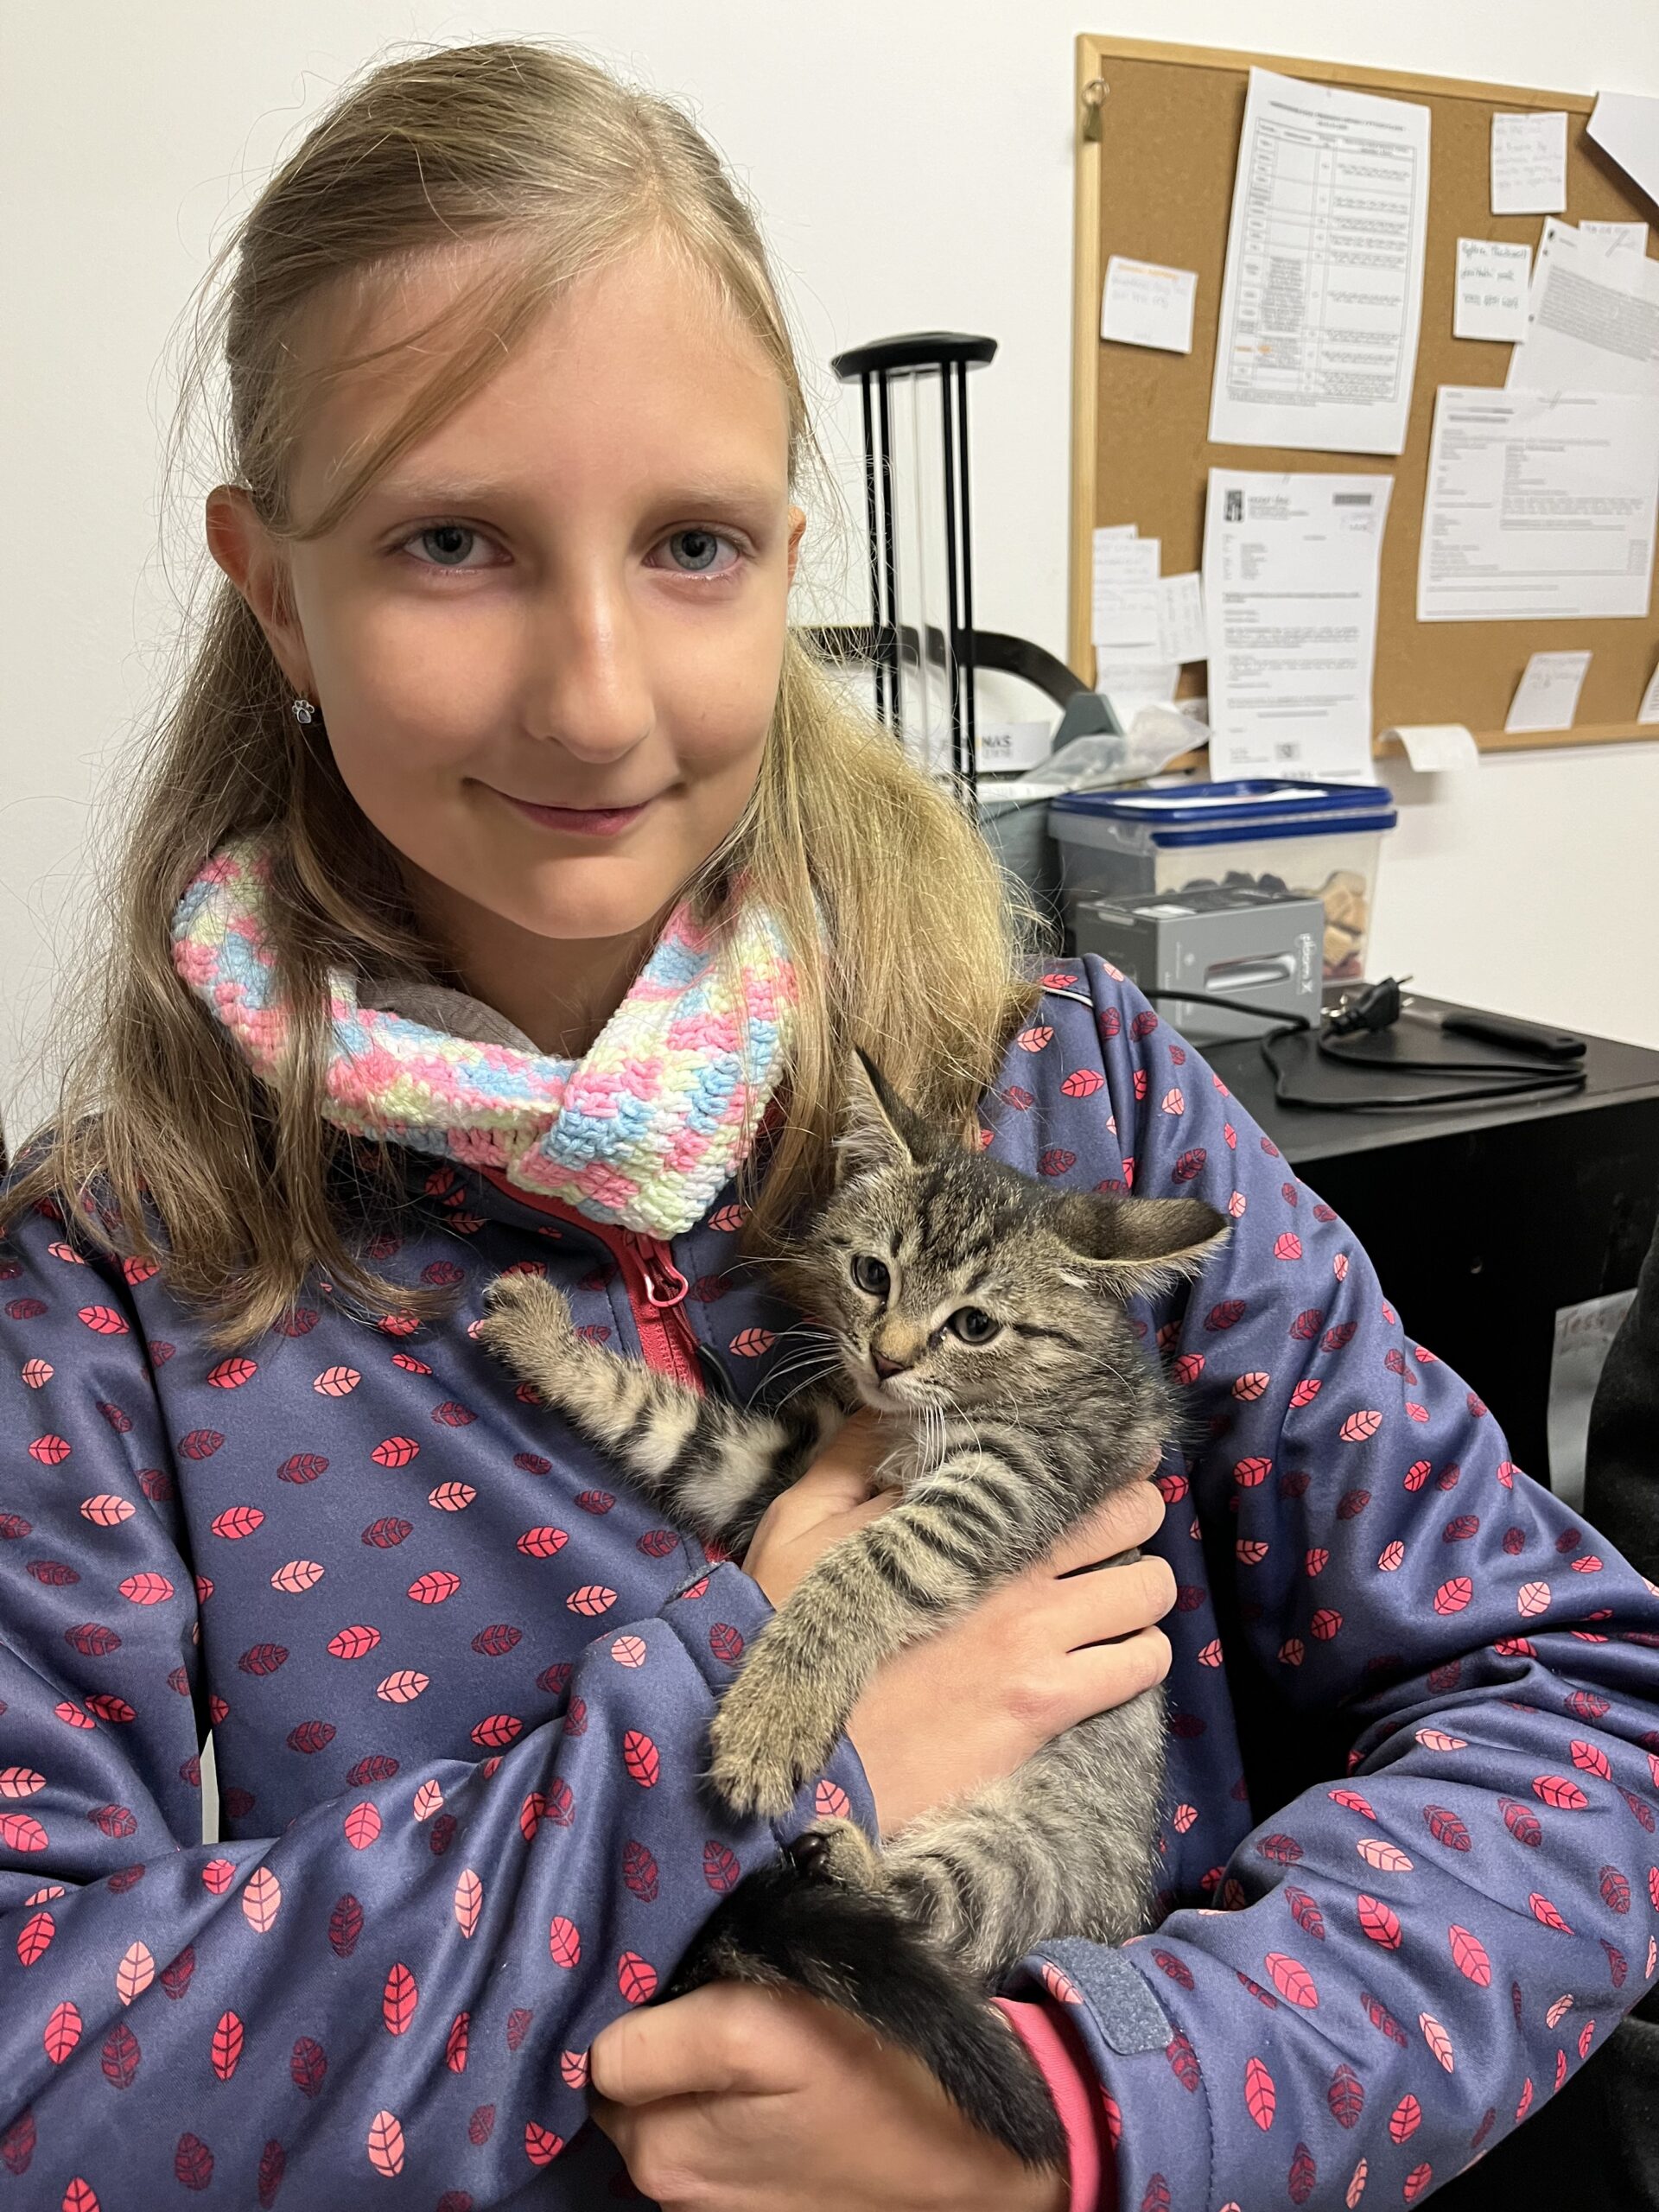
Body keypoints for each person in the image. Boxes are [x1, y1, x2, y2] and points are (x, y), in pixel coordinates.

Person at [2, 39, 1656, 2212]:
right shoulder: (116, 1278)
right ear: (274, 585)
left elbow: (1587, 1707)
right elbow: (43, 2068)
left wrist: (1078, 2113)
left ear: (790, 554)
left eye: (692, 543)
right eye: (449, 542)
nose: (596, 694)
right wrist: (760, 1721)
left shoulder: (1072, 1088)